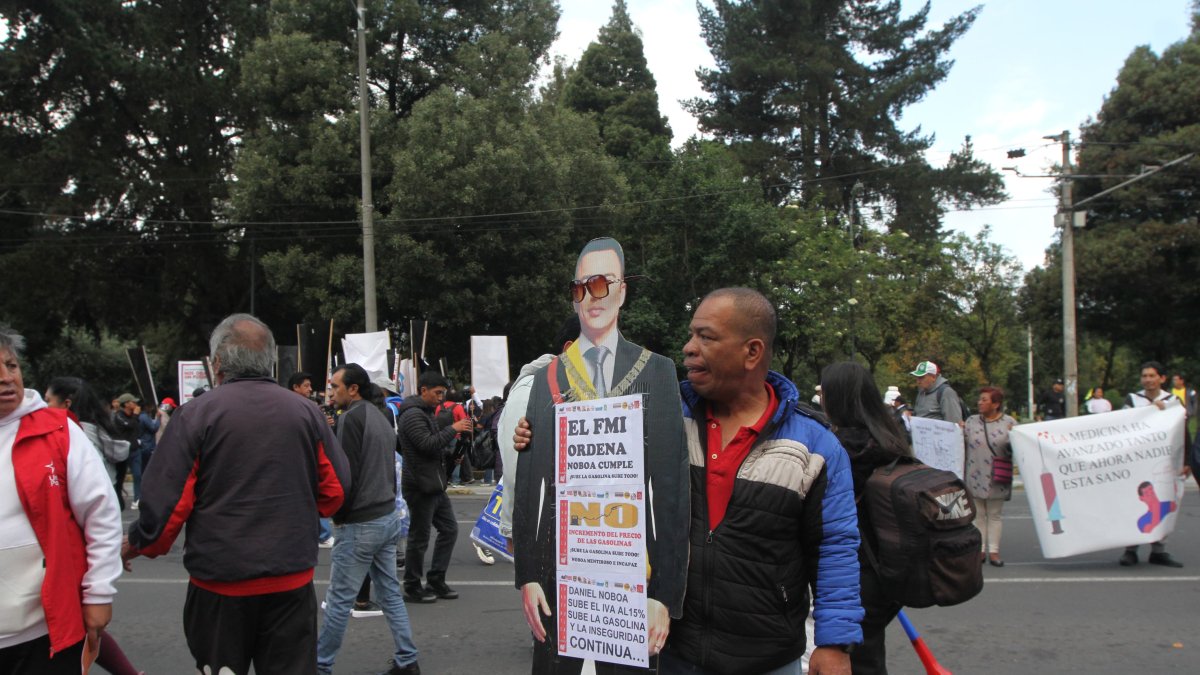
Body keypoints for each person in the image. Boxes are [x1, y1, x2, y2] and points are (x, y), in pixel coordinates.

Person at [122, 313, 351, 675]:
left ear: (217, 365)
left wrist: (134, 544)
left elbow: (166, 508)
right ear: (270, 361)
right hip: (290, 582)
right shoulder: (306, 412)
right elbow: (335, 492)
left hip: (220, 584)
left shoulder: (195, 415)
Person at [513, 237, 690, 674]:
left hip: (630, 562)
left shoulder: (656, 370)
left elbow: (671, 490)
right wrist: (529, 574)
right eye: (579, 288)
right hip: (561, 565)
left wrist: (664, 594)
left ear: (623, 290)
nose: (590, 298)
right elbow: (530, 484)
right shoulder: (548, 378)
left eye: (601, 284)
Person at [0, 326, 124, 674]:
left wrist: (98, 593)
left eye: (11, 366)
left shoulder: (59, 430)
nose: (6, 378)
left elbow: (102, 514)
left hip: (46, 632)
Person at [317, 364, 420, 675]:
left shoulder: (352, 418)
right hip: (386, 516)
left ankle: (320, 666)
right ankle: (407, 659)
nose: (330, 392)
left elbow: (345, 475)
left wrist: (340, 517)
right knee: (389, 592)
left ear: (353, 389)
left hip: (361, 522)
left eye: (335, 386)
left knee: (338, 602)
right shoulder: (379, 415)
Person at [42, 377, 142, 675]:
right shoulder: (96, 430)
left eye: (48, 400)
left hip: (76, 535)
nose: (44, 407)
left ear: (66, 403)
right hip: (89, 535)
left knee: (79, 621)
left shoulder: (71, 435)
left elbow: (90, 499)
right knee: (81, 620)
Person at [819, 361, 911, 675]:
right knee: (869, 654)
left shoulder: (840, 447)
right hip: (890, 566)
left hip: (854, 571)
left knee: (853, 660)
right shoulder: (891, 439)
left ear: (837, 398)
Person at [497, 316, 580, 544]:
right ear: (571, 349)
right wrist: (514, 532)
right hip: (542, 535)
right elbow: (517, 469)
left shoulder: (579, 392)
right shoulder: (532, 389)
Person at [398, 370, 473, 604]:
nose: (441, 398)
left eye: (443, 393)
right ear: (423, 391)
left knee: (449, 529)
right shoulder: (412, 415)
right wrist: (454, 428)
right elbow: (426, 444)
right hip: (420, 484)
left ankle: (436, 579)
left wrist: (453, 454)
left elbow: (435, 446)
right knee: (419, 537)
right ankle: (412, 585)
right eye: (437, 393)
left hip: (434, 482)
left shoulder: (426, 412)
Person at [1118, 361, 1188, 568]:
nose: (1148, 379)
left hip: (1163, 461)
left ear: (1162, 379)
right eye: (1144, 376)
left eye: (1152, 376)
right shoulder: (1133, 400)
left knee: (1163, 502)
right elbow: (1121, 425)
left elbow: (1183, 430)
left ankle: (1159, 550)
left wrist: (1186, 461)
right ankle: (1130, 549)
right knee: (1134, 503)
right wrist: (1149, 411)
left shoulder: (1173, 401)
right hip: (1136, 461)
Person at [963, 386, 1017, 567]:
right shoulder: (971, 421)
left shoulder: (1009, 423)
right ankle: (980, 551)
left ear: (996, 404)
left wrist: (1013, 436)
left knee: (994, 515)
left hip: (997, 476)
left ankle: (993, 551)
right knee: (978, 515)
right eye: (980, 399)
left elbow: (1018, 448)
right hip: (974, 474)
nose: (980, 402)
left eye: (985, 400)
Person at [132, 395, 166, 510]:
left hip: (143, 445)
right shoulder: (144, 417)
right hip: (148, 446)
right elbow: (154, 428)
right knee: (148, 471)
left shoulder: (140, 417)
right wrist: (158, 418)